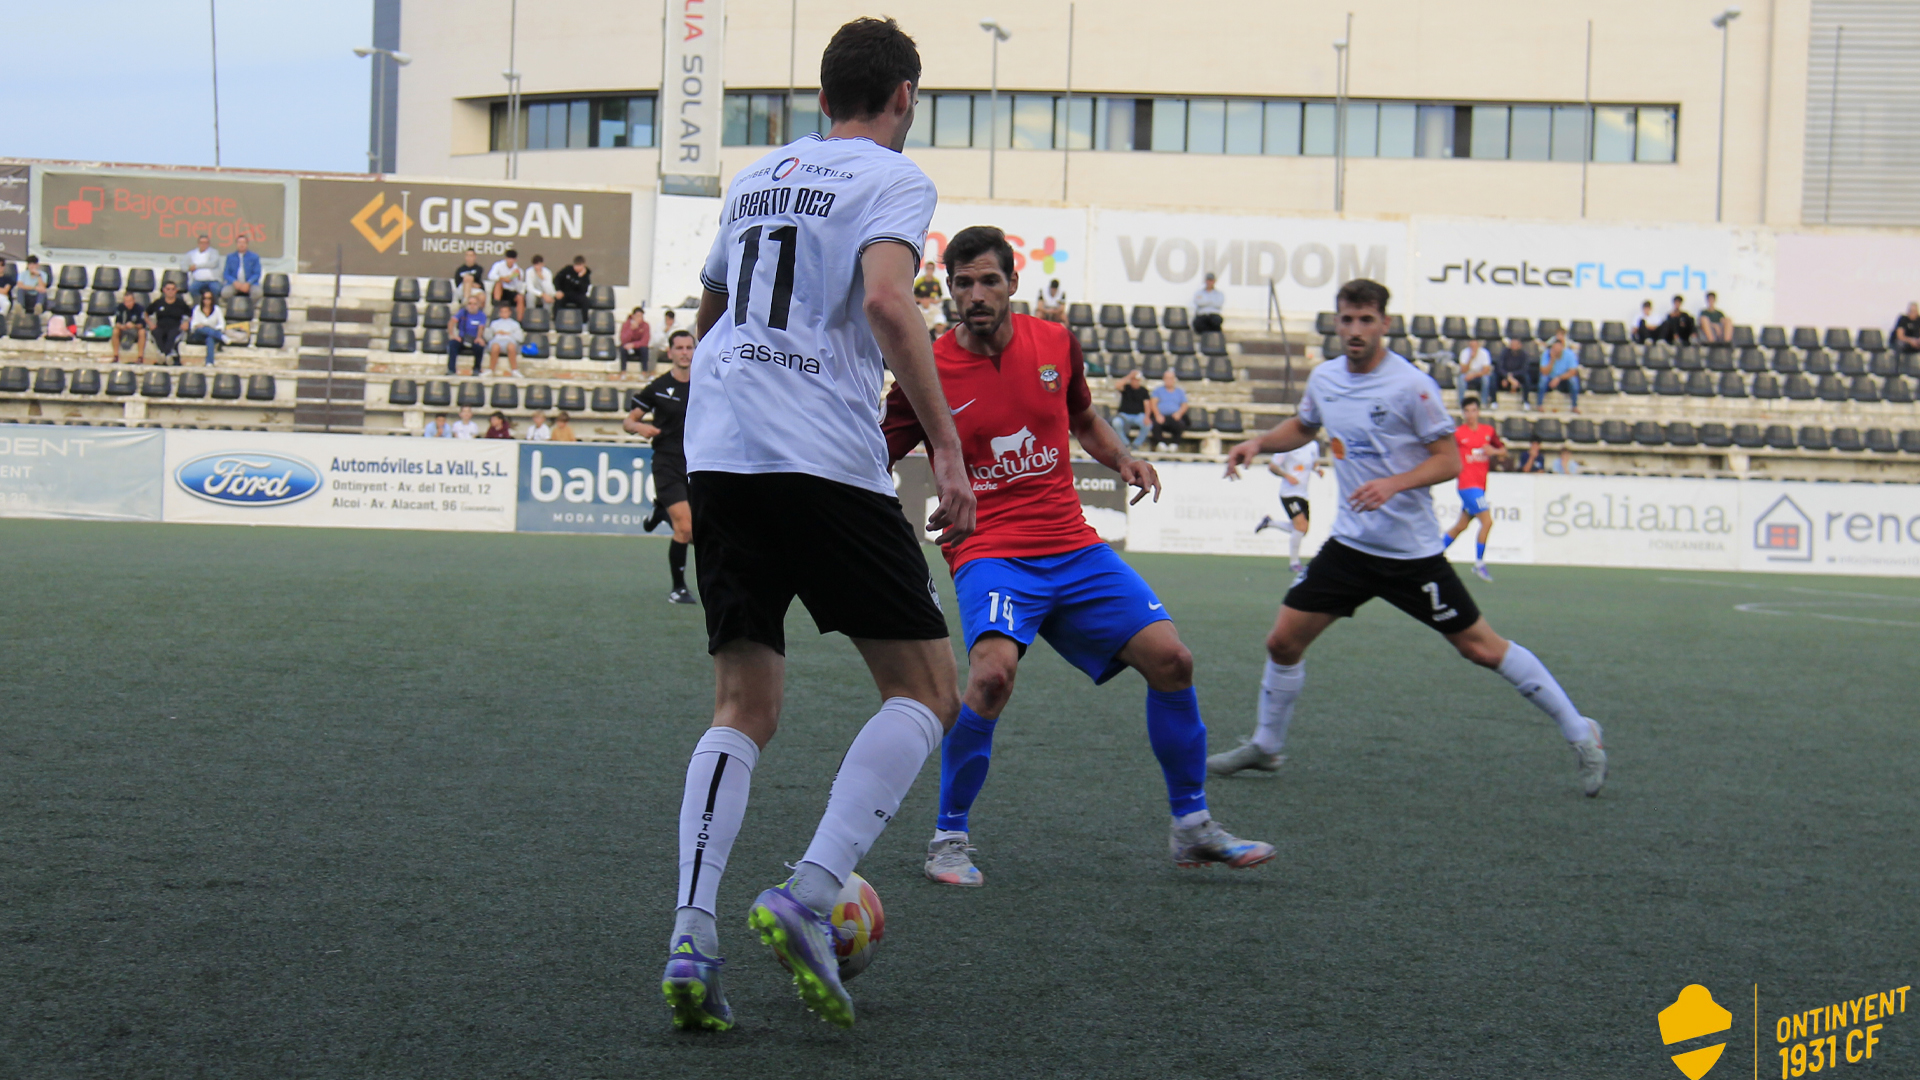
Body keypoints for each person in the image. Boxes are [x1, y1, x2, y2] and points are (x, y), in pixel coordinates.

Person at [660, 16, 976, 1035]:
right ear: (901, 97)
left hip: (726, 450)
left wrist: (719, 401)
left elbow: (711, 309)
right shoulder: (891, 175)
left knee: (740, 705)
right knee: (929, 687)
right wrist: (949, 449)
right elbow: (889, 304)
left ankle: (691, 935)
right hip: (822, 457)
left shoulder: (754, 177)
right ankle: (808, 890)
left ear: (825, 91)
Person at [881, 224, 1273, 890]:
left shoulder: (1056, 343)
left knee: (1173, 659)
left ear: (1013, 284)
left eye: (988, 281)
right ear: (949, 289)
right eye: (963, 282)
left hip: (1071, 541)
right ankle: (947, 838)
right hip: (991, 548)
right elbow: (877, 449)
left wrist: (1123, 457)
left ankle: (1192, 825)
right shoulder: (930, 364)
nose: (975, 294)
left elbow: (1082, 417)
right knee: (992, 677)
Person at [1208, 278, 1606, 798]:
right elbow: (1305, 428)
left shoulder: (1410, 386)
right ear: (1337, 322)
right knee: (1283, 641)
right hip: (1350, 548)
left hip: (1410, 555)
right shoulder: (1325, 378)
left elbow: (1449, 460)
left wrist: (1392, 484)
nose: (1355, 330)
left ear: (1384, 324)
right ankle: (1266, 745)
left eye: (1365, 320)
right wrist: (1259, 442)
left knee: (1482, 650)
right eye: (1347, 319)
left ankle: (1582, 732)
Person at [625, 328, 697, 604]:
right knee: (686, 529)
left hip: (696, 464)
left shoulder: (705, 383)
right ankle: (678, 589)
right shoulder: (658, 387)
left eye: (689, 348)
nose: (684, 353)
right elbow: (628, 421)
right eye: (679, 348)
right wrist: (640, 427)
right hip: (667, 462)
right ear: (670, 352)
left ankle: (660, 512)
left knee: (699, 535)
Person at [1440, 396, 1505, 583]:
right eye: (1467, 411)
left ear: (1478, 412)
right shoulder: (1458, 434)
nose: (1470, 414)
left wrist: (1495, 452)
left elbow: (1502, 450)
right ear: (1463, 414)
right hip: (1467, 485)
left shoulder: (1488, 431)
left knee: (1460, 526)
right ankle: (1479, 564)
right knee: (1487, 521)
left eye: (1473, 410)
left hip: (1480, 485)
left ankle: (1433, 554)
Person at [1254, 438, 1319, 574]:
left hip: (1303, 494)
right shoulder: (1287, 446)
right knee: (1300, 527)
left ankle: (1270, 523)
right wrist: (1286, 475)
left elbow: (1314, 462)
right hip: (1289, 494)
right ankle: (1294, 563)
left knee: (1302, 530)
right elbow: (1272, 466)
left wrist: (1318, 469)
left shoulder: (1312, 445)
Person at [145, 280, 192, 364]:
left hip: (175, 327)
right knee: (156, 333)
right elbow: (145, 313)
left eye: (173, 289)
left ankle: (163, 355)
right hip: (160, 327)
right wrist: (150, 323)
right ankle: (167, 356)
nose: (170, 291)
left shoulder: (180, 303)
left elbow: (192, 314)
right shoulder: (158, 302)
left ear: (176, 290)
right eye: (168, 289)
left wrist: (187, 323)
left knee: (172, 335)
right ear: (164, 290)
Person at [447, 293, 488, 375]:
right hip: (462, 338)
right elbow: (452, 322)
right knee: (452, 344)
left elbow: (481, 327)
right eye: (470, 303)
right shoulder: (462, 312)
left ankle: (476, 369)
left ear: (478, 305)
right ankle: (451, 370)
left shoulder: (482, 315)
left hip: (474, 338)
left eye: (474, 304)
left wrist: (479, 337)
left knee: (480, 346)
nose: (472, 306)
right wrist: (452, 335)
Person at [1148, 367, 1189, 447]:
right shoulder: (1158, 390)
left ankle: (1174, 444)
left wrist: (1179, 413)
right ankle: (1160, 444)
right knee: (1155, 424)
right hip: (1161, 416)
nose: (1169, 380)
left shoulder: (1179, 391)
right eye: (1167, 378)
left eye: (1170, 378)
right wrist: (1157, 415)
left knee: (1180, 424)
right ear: (1164, 379)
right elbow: (1153, 403)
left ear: (1174, 379)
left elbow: (1184, 404)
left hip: (1174, 416)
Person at [1110, 368, 1150, 448]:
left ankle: (1136, 444)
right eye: (1133, 379)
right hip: (1124, 415)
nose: (1135, 381)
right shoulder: (1126, 388)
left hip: (1138, 416)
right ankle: (1125, 443)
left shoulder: (1144, 391)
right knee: (1116, 423)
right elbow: (1117, 386)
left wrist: (1147, 417)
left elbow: (1147, 405)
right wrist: (1129, 376)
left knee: (1148, 425)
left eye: (1137, 380)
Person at [187, 289, 228, 367]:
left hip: (212, 334)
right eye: (205, 298)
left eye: (209, 298)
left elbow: (221, 324)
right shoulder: (197, 309)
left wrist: (207, 327)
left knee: (210, 338)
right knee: (201, 329)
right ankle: (220, 336)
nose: (207, 300)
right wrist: (202, 326)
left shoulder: (217, 309)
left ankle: (209, 362)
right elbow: (194, 325)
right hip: (199, 334)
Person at [484, 303, 525, 378]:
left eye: (506, 312)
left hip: (509, 340)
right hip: (497, 340)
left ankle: (514, 370)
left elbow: (520, 338)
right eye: (502, 312)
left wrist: (508, 334)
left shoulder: (515, 324)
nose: (504, 313)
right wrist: (494, 333)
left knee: (511, 347)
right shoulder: (494, 323)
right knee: (495, 346)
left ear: (509, 313)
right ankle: (491, 370)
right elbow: (488, 337)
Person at [1540, 338, 1581, 413]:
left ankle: (1575, 406)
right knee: (1543, 380)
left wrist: (1558, 378)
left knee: (1573, 381)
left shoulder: (1570, 354)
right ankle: (1539, 405)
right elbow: (1544, 372)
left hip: (1563, 378)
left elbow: (1572, 372)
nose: (1556, 350)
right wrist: (1552, 360)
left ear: (1562, 348)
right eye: (1554, 348)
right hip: (1550, 377)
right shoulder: (1546, 354)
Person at [1495, 337, 1533, 410]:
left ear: (1520, 345)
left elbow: (1524, 369)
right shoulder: (1504, 353)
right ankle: (1494, 402)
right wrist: (1507, 377)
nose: (1513, 346)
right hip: (1505, 376)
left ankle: (1525, 402)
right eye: (1512, 344)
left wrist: (1511, 377)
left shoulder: (1524, 355)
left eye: (1515, 344)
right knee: (1493, 377)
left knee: (1527, 378)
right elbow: (1499, 367)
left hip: (1518, 376)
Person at [111, 290, 149, 363]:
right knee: (115, 331)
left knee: (142, 332)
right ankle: (115, 356)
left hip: (135, 330)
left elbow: (142, 324)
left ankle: (140, 357)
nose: (128, 304)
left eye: (130, 301)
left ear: (133, 300)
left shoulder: (139, 308)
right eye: (126, 301)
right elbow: (117, 323)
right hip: (124, 329)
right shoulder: (121, 307)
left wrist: (134, 326)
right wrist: (122, 326)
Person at [221, 234, 262, 300]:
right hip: (234, 283)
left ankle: (249, 307)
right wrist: (234, 282)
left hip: (250, 284)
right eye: (239, 242)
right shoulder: (230, 257)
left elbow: (257, 273)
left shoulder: (254, 257)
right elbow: (226, 274)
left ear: (247, 244)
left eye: (244, 243)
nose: (241, 245)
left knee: (257, 293)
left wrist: (248, 283)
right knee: (225, 293)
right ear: (236, 244)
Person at [486, 249, 526, 318]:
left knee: (520, 298)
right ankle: (497, 306)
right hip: (500, 291)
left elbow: (519, 288)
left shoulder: (518, 270)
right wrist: (503, 278)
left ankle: (520, 321)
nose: (510, 261)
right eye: (509, 259)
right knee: (498, 283)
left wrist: (518, 277)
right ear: (506, 258)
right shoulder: (498, 265)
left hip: (511, 291)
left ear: (515, 260)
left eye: (512, 259)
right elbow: (491, 276)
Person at [1457, 338, 1493, 408]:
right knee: (1461, 378)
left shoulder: (1484, 353)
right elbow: (1463, 370)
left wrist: (1474, 375)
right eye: (1471, 346)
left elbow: (1486, 370)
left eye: (1475, 346)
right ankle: (1461, 402)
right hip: (1467, 374)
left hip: (1479, 375)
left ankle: (1483, 402)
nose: (1473, 348)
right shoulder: (1464, 353)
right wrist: (1470, 359)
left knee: (1486, 379)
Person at [183, 236, 221, 303]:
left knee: (216, 289)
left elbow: (213, 264)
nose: (203, 244)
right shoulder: (191, 254)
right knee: (192, 289)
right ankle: (199, 304)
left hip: (212, 280)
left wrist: (196, 266)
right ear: (198, 243)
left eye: (206, 243)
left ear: (208, 244)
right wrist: (189, 268)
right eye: (202, 242)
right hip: (197, 280)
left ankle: (214, 305)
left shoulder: (214, 252)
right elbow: (183, 266)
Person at [619, 305, 652, 372]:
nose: (639, 318)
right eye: (638, 316)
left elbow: (645, 341)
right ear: (633, 316)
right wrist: (631, 330)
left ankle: (644, 372)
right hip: (628, 347)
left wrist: (633, 344)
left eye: (641, 316)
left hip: (639, 347)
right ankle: (623, 372)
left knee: (644, 349)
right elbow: (623, 339)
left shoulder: (645, 325)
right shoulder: (626, 324)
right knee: (622, 349)